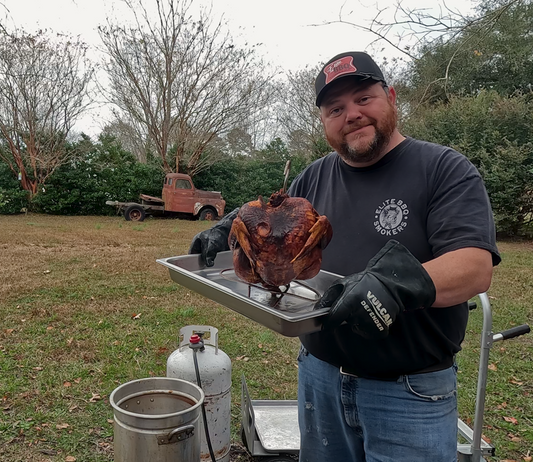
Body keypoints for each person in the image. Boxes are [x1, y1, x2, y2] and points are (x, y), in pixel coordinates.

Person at [189, 51, 500, 462]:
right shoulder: (315, 176)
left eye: (363, 99)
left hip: (408, 393)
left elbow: (473, 268)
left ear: (390, 97)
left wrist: (390, 284)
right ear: (324, 123)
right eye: (336, 108)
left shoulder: (443, 169)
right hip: (320, 378)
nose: (351, 114)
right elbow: (276, 215)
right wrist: (228, 224)